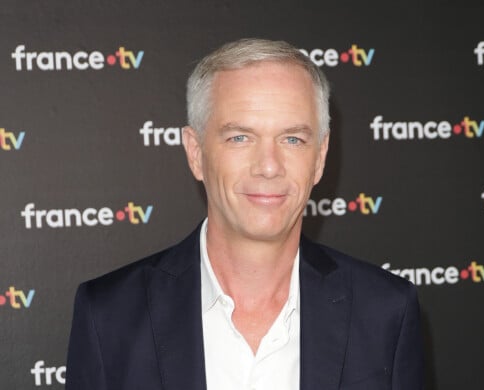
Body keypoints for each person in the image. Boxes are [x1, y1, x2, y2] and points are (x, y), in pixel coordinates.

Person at [65, 38, 424, 390]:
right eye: (240, 138)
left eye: (292, 139)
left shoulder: (385, 311)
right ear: (195, 153)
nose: (268, 166)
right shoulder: (109, 315)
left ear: (320, 157)